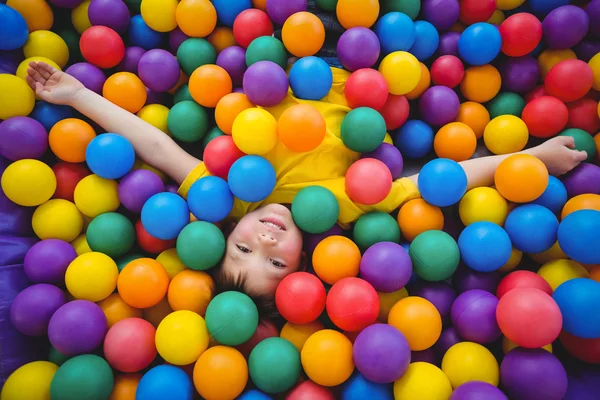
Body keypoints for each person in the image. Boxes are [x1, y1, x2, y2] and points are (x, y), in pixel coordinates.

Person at [26, 61, 587, 317]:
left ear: (226, 230)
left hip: (289, 62)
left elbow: (156, 147)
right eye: (274, 262)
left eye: (244, 248)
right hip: (365, 76)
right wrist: (530, 156)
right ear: (304, 263)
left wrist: (79, 97)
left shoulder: (225, 191)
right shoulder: (348, 203)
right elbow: (443, 180)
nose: (265, 241)